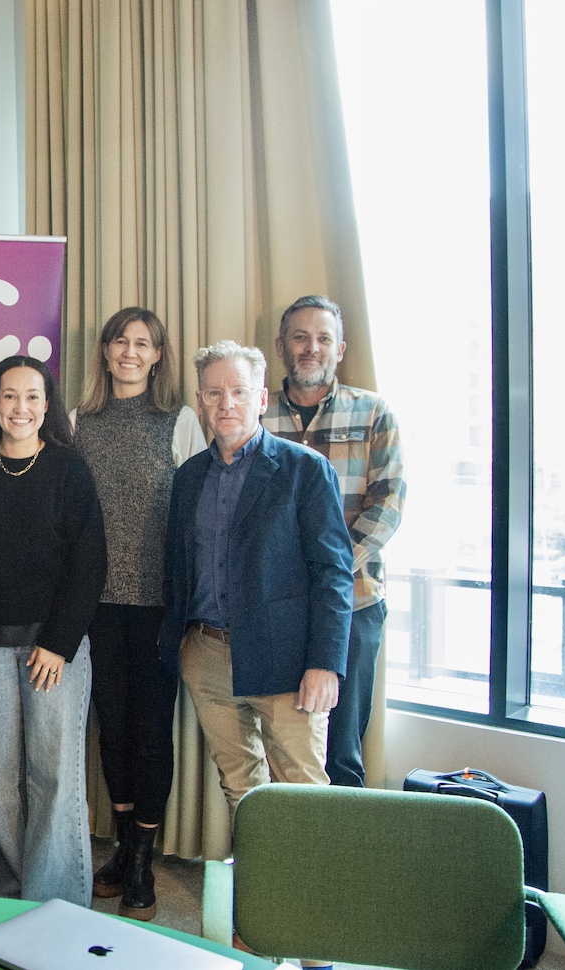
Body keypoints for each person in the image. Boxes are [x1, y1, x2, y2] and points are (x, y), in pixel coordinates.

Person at [159, 341, 354, 823]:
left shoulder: (304, 471)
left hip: (286, 660)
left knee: (303, 793)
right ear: (201, 400)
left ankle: (309, 900)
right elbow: (178, 568)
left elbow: (333, 573)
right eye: (214, 392)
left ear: (262, 399)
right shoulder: (188, 478)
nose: (227, 404)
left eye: (239, 391)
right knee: (240, 787)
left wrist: (325, 663)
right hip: (207, 656)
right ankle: (261, 894)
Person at [71, 307, 206, 918]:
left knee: (153, 736)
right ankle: (122, 850)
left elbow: (200, 517)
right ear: (104, 351)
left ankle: (145, 860)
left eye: (142, 343)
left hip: (158, 607)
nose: (129, 351)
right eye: (120, 341)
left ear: (158, 356)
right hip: (96, 605)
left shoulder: (179, 421)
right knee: (113, 730)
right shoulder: (78, 421)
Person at [0, 355, 106, 906]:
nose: (21, 408)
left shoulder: (69, 469)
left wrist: (59, 643)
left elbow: (89, 562)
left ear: (47, 405)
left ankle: (59, 906)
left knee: (54, 777)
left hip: (53, 648)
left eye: (32, 396)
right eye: (10, 396)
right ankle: (17, 895)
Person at [263, 295, 405, 788]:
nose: (311, 348)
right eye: (300, 338)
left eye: (323, 339)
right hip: (276, 610)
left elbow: (388, 504)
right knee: (281, 748)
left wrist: (331, 570)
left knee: (342, 750)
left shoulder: (373, 413)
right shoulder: (257, 416)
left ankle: (343, 864)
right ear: (282, 346)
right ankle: (284, 860)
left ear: (340, 349)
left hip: (354, 606)